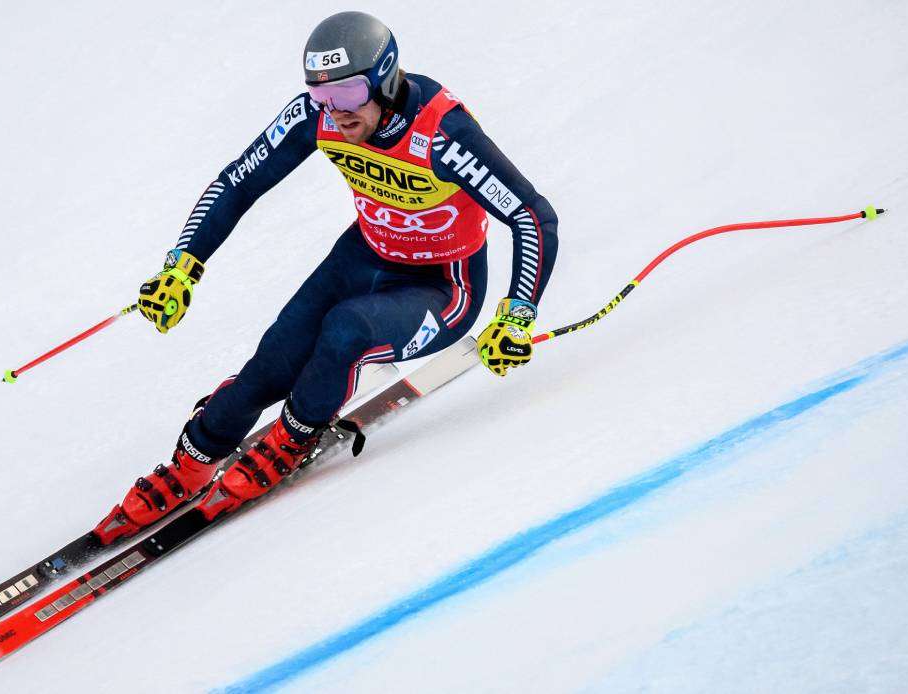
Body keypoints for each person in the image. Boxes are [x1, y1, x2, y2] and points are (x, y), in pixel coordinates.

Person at [93, 11, 559, 542]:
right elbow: (238, 182)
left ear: (384, 78)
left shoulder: (442, 132)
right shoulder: (318, 116)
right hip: (362, 259)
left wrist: (519, 311)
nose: (332, 111)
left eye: (346, 93)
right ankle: (193, 462)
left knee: (346, 332)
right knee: (271, 365)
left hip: (442, 287)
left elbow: (532, 215)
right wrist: (183, 264)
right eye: (319, 96)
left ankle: (295, 437)